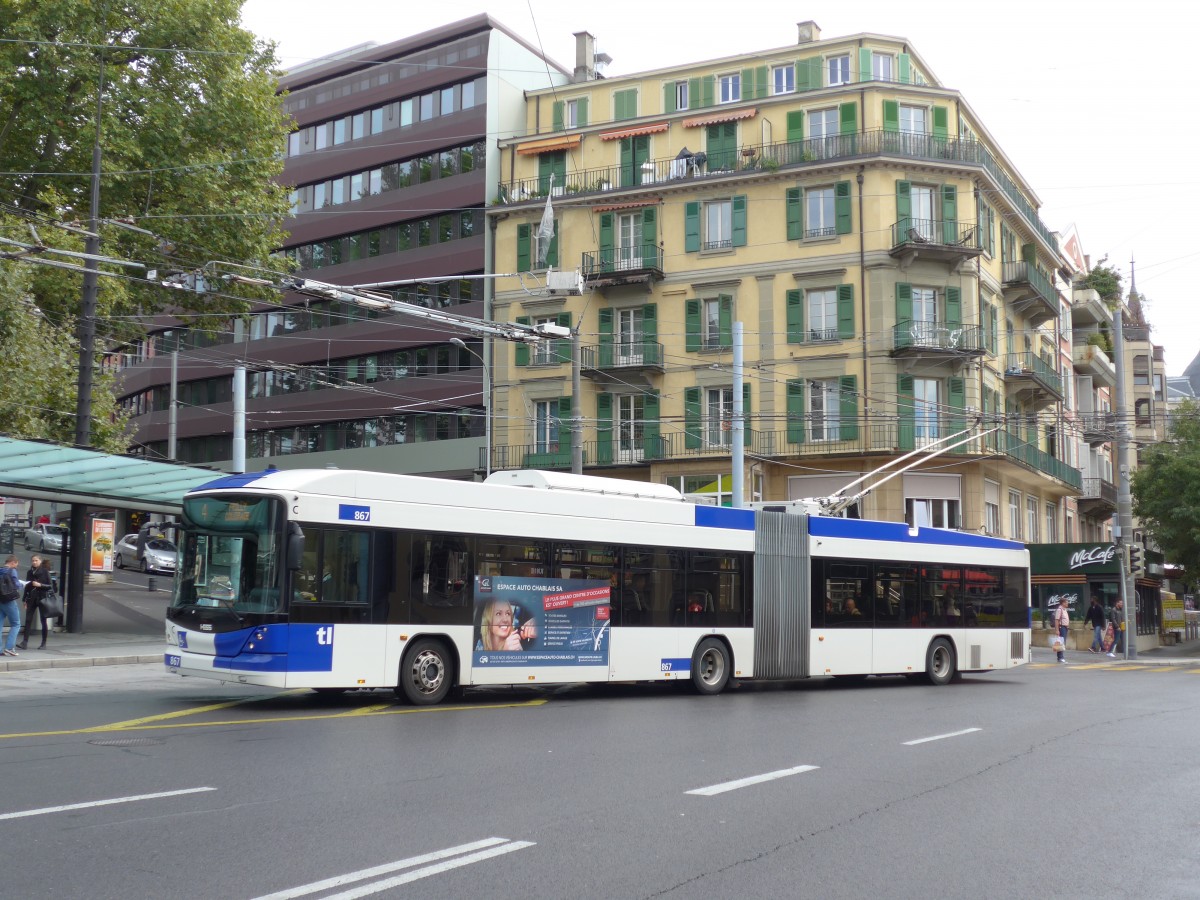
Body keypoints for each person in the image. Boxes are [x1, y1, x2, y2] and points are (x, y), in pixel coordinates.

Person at [17, 554, 52, 651]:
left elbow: (50, 585)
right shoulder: (30, 572)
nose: (34, 562)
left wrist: (40, 585)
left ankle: (43, 643)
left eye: (36, 560)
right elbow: (27, 586)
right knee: (28, 620)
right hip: (31, 598)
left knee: (43, 620)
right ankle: (25, 642)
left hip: (42, 598)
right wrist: (24, 599)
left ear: (40, 561)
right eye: (33, 560)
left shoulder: (45, 571)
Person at [0, 555, 22, 657]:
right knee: (16, 624)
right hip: (9, 600)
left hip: (0, 600)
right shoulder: (11, 571)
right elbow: (16, 585)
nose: (16, 567)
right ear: (13, 562)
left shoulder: (0, 570)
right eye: (16, 565)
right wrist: (23, 584)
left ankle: (0, 650)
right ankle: (9, 648)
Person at [1052, 596, 1070, 663]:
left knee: (1062, 642)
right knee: (1061, 642)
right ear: (1062, 603)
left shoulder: (1064, 610)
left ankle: (1060, 657)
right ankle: (1060, 657)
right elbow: (1057, 620)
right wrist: (1057, 630)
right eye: (1066, 602)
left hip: (1065, 627)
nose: (1067, 604)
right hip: (1061, 627)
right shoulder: (1059, 610)